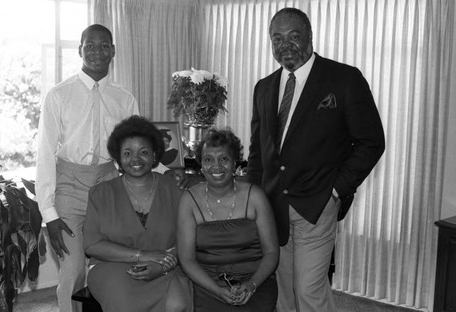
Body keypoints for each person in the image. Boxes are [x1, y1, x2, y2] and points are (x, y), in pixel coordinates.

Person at [35, 24, 186, 312]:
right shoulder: (58, 95)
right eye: (89, 45)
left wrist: (168, 172)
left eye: (104, 45)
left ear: (113, 51)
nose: (96, 51)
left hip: (112, 184)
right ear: (80, 50)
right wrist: (49, 213)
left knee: (115, 263)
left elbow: (138, 148)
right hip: (69, 186)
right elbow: (44, 153)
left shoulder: (124, 97)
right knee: (73, 271)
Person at [247, 8, 385, 312]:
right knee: (283, 293)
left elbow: (371, 142)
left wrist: (335, 190)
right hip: (273, 208)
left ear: (310, 36)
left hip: (318, 205)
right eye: (277, 38)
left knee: (309, 291)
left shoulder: (345, 79)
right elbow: (258, 152)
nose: (285, 44)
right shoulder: (264, 87)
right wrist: (251, 200)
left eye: (293, 36)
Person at [83, 115, 192, 312]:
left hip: (166, 265)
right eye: (127, 153)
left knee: (178, 305)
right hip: (112, 266)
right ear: (118, 157)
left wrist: (163, 265)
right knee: (124, 304)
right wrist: (142, 256)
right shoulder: (100, 193)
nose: (135, 159)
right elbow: (92, 245)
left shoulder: (173, 188)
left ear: (154, 155)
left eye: (143, 152)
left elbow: (188, 238)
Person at [177, 129, 279, 312]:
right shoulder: (189, 200)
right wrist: (217, 290)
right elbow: (187, 259)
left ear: (235, 163)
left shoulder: (255, 196)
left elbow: (271, 252)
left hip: (256, 283)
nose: (216, 166)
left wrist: (251, 285)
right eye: (208, 159)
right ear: (201, 165)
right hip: (207, 285)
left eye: (223, 159)